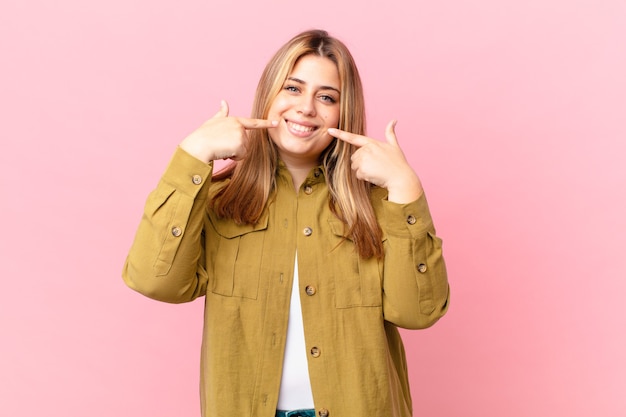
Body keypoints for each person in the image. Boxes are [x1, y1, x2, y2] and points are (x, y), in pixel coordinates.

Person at [123, 29, 450, 417]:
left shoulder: (380, 204)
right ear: (269, 95)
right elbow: (154, 281)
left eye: (326, 97)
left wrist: (406, 188)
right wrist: (193, 155)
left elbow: (418, 313)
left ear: (344, 113)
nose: (307, 108)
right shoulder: (216, 200)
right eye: (293, 89)